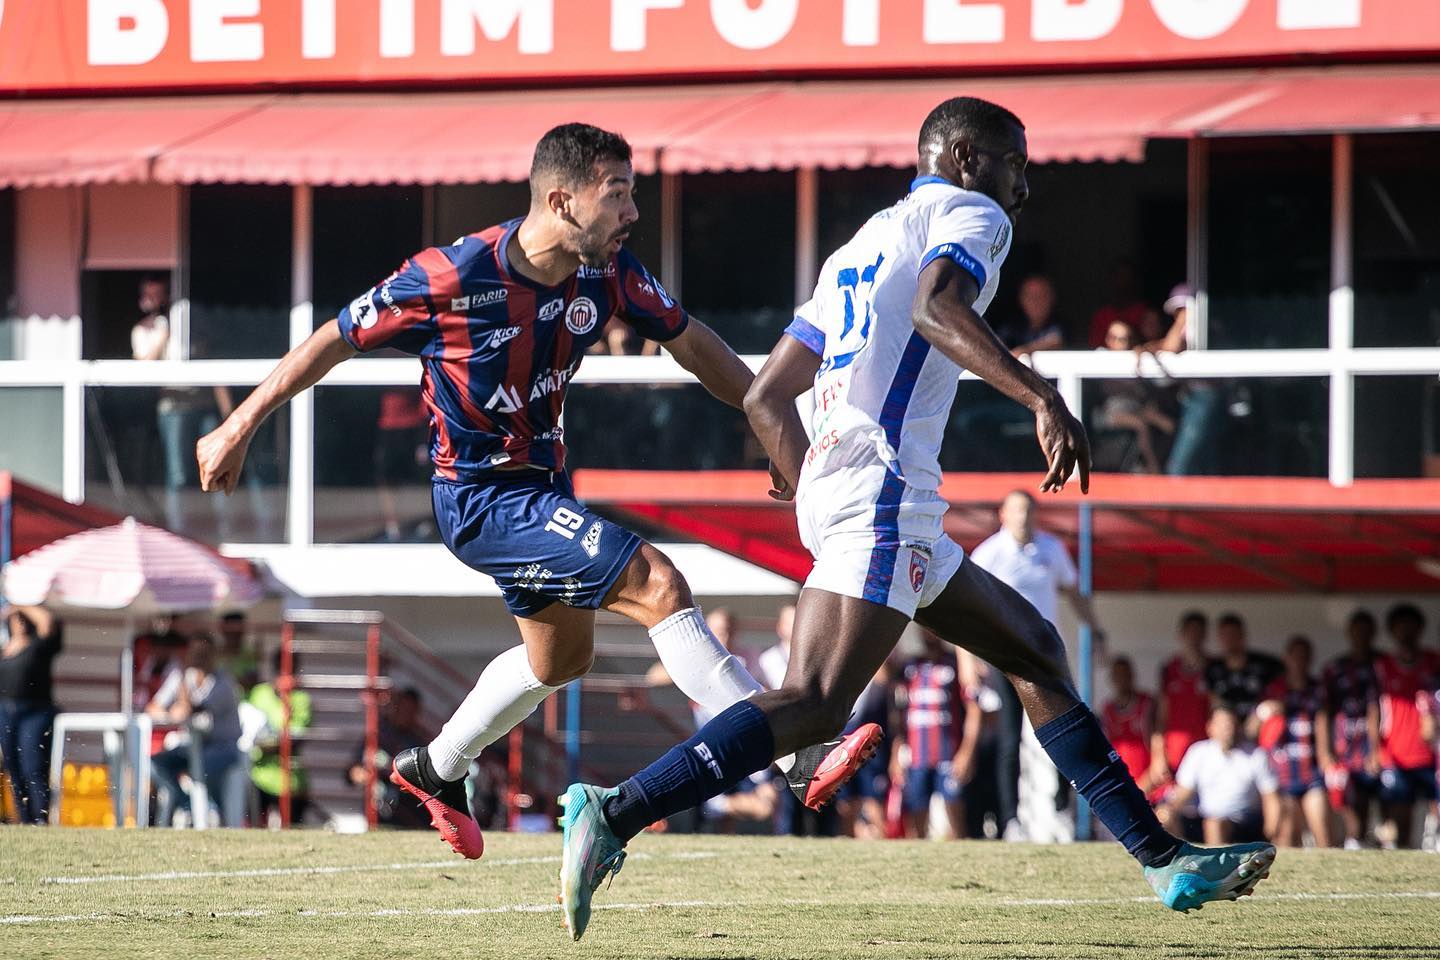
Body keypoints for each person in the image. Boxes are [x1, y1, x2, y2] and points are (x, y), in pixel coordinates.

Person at [558, 96, 1274, 941]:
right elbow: (940, 309)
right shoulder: (969, 213)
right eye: (1015, 162)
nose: (1024, 183)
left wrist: (814, 478)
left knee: (1034, 649)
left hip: (864, 491)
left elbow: (763, 395)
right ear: (968, 159)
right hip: (884, 491)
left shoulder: (863, 241)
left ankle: (1163, 859)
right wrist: (1042, 394)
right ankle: (617, 810)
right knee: (818, 703)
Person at [195, 123, 851, 861]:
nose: (635, 212)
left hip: (542, 488)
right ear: (563, 200)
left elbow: (693, 343)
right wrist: (237, 426)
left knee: (560, 661)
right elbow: (334, 338)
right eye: (620, 194)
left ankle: (435, 768)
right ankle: (795, 752)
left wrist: (772, 425)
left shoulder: (609, 272)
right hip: (479, 498)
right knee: (660, 586)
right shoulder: (451, 275)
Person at [969, 488, 1102, 843]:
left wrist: (1097, 631)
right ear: (1003, 514)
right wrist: (969, 660)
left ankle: (1062, 806)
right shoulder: (989, 554)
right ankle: (1010, 820)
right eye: (1017, 511)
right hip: (1004, 656)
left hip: (1045, 655)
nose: (1023, 518)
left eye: (1029, 511)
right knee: (1010, 739)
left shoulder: (1051, 549)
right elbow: (963, 611)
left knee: (1065, 728)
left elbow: (1074, 593)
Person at [146, 634, 244, 827]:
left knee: (199, 767)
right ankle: (187, 804)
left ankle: (208, 815)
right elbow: (153, 707)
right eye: (196, 652)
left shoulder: (223, 681)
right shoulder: (182, 675)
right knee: (155, 764)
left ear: (213, 655)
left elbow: (195, 708)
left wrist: (181, 701)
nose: (199, 658)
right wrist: (169, 711)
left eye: (204, 653)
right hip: (193, 747)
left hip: (223, 748)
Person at [893, 631, 980, 839]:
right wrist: (896, 753)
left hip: (949, 755)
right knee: (916, 819)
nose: (928, 633)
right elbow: (898, 715)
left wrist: (967, 751)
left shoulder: (954, 665)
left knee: (956, 818)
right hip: (917, 757)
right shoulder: (910, 667)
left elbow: (974, 708)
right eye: (923, 628)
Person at [1373, 604, 1440, 849]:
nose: (1407, 633)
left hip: (1432, 752)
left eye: (1411, 627)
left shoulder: (1434, 662)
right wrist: (1374, 747)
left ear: (1420, 629)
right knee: (1401, 819)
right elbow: (1373, 709)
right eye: (1401, 628)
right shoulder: (1382, 666)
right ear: (1392, 631)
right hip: (1397, 752)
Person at [1159, 705, 1276, 846]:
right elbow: (1184, 791)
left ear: (1238, 727)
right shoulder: (1198, 752)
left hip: (1245, 822)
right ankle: (1181, 861)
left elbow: (1270, 796)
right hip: (1204, 818)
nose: (1227, 730)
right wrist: (1168, 810)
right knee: (1164, 816)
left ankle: (1216, 864)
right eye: (1221, 725)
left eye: (1230, 724)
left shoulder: (1256, 755)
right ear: (1210, 728)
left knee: (1214, 824)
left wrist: (1270, 832)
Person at [1141, 284, 1225, 476]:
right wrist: (1147, 348)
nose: (1180, 314)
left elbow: (1171, 346)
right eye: (1177, 311)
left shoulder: (1204, 327)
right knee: (1203, 461)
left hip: (1205, 399)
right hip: (1193, 397)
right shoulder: (1193, 329)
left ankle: (1179, 504)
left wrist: (1182, 321)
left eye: (1183, 309)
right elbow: (1166, 345)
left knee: (1180, 466)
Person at [1256, 635, 1330, 848]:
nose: (1299, 661)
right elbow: (1253, 730)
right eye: (1295, 656)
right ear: (1286, 658)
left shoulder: (1317, 689)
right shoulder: (1273, 689)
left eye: (1304, 656)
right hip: (1282, 774)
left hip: (1312, 771)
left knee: (1322, 833)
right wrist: (1266, 711)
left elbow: (1323, 724)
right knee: (1287, 837)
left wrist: (1327, 758)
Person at [1317, 609, 1381, 849]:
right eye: (1357, 631)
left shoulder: (1382, 665)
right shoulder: (1335, 668)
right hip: (1345, 748)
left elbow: (1382, 707)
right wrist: (1325, 751)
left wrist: (1377, 748)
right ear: (1349, 634)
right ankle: (1354, 841)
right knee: (1346, 800)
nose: (1362, 636)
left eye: (1366, 631)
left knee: (1384, 800)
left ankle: (1386, 845)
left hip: (1378, 747)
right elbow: (1324, 711)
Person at [0, 604, 63, 824]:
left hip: (35, 712)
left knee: (33, 767)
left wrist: (20, 603)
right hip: (6, 712)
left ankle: (40, 819)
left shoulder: (41, 643)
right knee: (13, 769)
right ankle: (24, 819)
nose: (19, 621)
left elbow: (47, 621)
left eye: (23, 618)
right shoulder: (6, 646)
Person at [1091, 320, 1174, 474]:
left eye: (1126, 338)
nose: (1121, 343)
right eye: (1115, 338)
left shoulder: (1137, 357)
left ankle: (1169, 468)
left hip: (1137, 408)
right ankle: (1153, 468)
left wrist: (1142, 353)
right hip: (1110, 412)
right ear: (1108, 339)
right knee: (1140, 424)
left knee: (1168, 425)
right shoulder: (1102, 356)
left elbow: (1162, 381)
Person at [245, 649, 314, 827]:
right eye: (280, 668)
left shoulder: (301, 699)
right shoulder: (259, 693)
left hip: (291, 778)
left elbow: (294, 740)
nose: (284, 673)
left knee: (294, 831)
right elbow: (249, 730)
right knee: (252, 830)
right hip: (259, 775)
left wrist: (267, 743)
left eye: (290, 669)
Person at [349, 687, 430, 829]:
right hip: (377, 808)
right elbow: (352, 770)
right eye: (403, 708)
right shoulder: (377, 737)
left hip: (408, 811)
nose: (405, 714)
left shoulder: (420, 744)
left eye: (410, 710)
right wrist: (359, 774)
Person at [1151, 611, 1212, 792]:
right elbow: (1161, 716)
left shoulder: (1213, 669)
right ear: (1181, 635)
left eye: (1199, 633)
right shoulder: (1169, 669)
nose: (1194, 638)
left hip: (1204, 751)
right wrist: (1159, 755)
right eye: (1190, 632)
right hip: (1174, 753)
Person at [373, 387, 431, 541]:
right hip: (387, 427)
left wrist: (423, 438)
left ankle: (424, 522)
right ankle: (393, 525)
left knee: (418, 478)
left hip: (414, 427)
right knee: (387, 479)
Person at [1205, 613, 1283, 724]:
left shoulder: (1266, 665)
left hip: (1259, 729)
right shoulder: (1212, 669)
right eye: (1225, 635)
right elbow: (1212, 702)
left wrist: (1261, 712)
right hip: (1227, 731)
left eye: (1233, 634)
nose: (1229, 640)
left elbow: (1280, 698)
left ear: (1242, 635)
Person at [1100, 656, 1157, 793]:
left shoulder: (1147, 704)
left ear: (1132, 676)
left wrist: (1144, 786)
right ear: (1112, 679)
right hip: (1122, 789)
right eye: (1117, 675)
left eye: (1125, 674)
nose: (1121, 679)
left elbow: (1158, 747)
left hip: (1149, 786)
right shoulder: (1107, 710)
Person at [1087, 258, 1160, 348]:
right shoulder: (1101, 315)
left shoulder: (1146, 313)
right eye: (1119, 276)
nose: (1123, 282)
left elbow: (1152, 344)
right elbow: (1094, 348)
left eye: (1127, 277)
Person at [999, 274, 1064, 356]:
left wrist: (1023, 351)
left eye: (1041, 296)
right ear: (1021, 299)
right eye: (1030, 296)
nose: (1035, 302)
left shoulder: (1064, 325)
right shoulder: (1011, 327)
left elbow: (1056, 342)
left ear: (1052, 298)